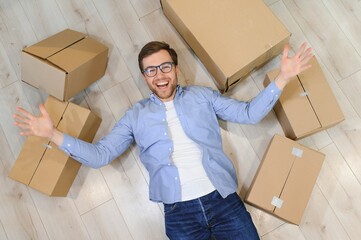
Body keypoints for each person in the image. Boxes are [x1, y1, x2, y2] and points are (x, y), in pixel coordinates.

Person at [13, 41, 313, 240]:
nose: (160, 75)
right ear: (144, 76)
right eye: (151, 70)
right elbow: (101, 155)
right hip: (179, 214)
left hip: (223, 201)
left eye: (165, 66)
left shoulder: (202, 96)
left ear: (176, 68)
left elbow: (248, 114)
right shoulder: (135, 116)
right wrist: (52, 134)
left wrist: (283, 78)